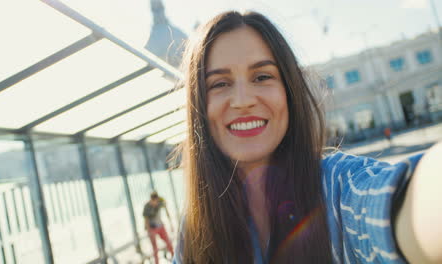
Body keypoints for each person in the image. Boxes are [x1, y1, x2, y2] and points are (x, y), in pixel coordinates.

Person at [171, 11, 442, 264]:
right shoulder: (193, 229)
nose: (242, 101)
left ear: (289, 90)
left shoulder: (338, 189)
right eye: (219, 83)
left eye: (262, 76)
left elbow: (408, 202)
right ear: (198, 107)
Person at [143, 191, 174, 264]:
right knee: (155, 249)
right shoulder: (147, 207)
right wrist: (149, 231)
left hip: (160, 226)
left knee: (168, 242)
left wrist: (171, 224)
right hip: (152, 229)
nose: (155, 203)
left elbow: (166, 207)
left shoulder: (160, 202)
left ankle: (174, 257)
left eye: (157, 201)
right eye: (154, 201)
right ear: (151, 200)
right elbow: (146, 220)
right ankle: (157, 262)